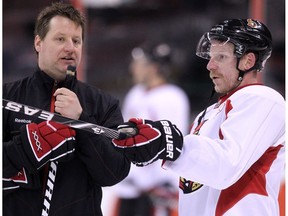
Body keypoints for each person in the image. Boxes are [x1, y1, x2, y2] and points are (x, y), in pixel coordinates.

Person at [112, 19, 285, 216]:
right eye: (210, 57)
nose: (210, 65)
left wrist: (168, 145)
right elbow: (195, 178)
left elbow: (226, 166)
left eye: (220, 57)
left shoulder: (263, 100)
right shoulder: (208, 113)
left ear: (248, 61)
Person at [3, 2, 130, 216]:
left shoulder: (103, 104)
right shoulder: (7, 97)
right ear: (38, 43)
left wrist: (82, 122)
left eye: (76, 41)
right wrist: (26, 148)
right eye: (60, 39)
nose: (70, 48)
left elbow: (114, 173)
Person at [111, 42, 190, 216]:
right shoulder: (135, 93)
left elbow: (172, 144)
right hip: (130, 187)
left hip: (156, 191)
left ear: (153, 67)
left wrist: (165, 182)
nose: (133, 68)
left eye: (138, 64)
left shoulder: (172, 97)